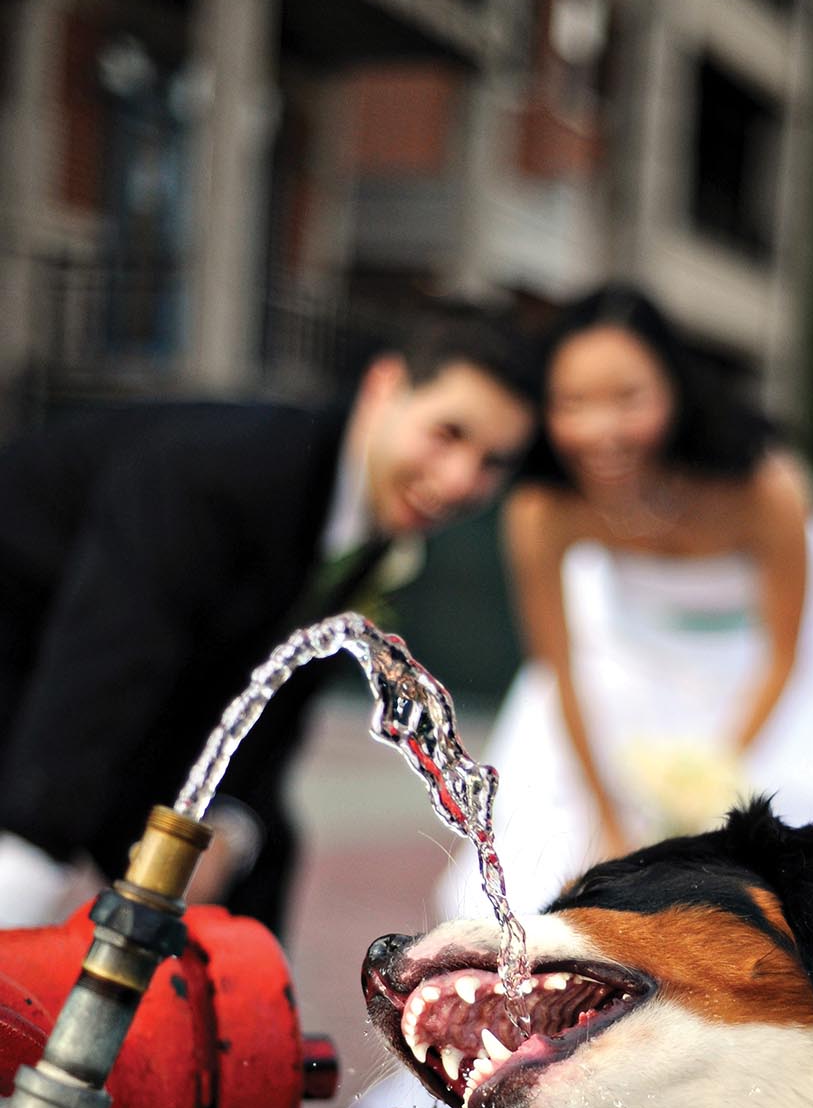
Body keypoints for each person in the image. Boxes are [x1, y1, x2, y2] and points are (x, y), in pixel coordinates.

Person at [0, 305, 536, 935]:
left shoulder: (365, 522)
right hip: (37, 670)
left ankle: (239, 1024)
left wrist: (230, 826)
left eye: (493, 463)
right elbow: (102, 676)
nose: (457, 481)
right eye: (448, 433)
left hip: (104, 689)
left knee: (260, 851)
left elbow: (271, 702)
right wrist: (30, 867)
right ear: (384, 386)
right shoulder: (223, 472)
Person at [436, 284, 813, 920]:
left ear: (673, 388)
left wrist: (706, 790)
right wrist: (609, 821)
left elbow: (786, 653)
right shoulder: (543, 509)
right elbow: (558, 674)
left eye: (628, 398)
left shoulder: (765, 488)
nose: (602, 430)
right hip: (636, 647)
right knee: (556, 862)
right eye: (574, 402)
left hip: (780, 655)